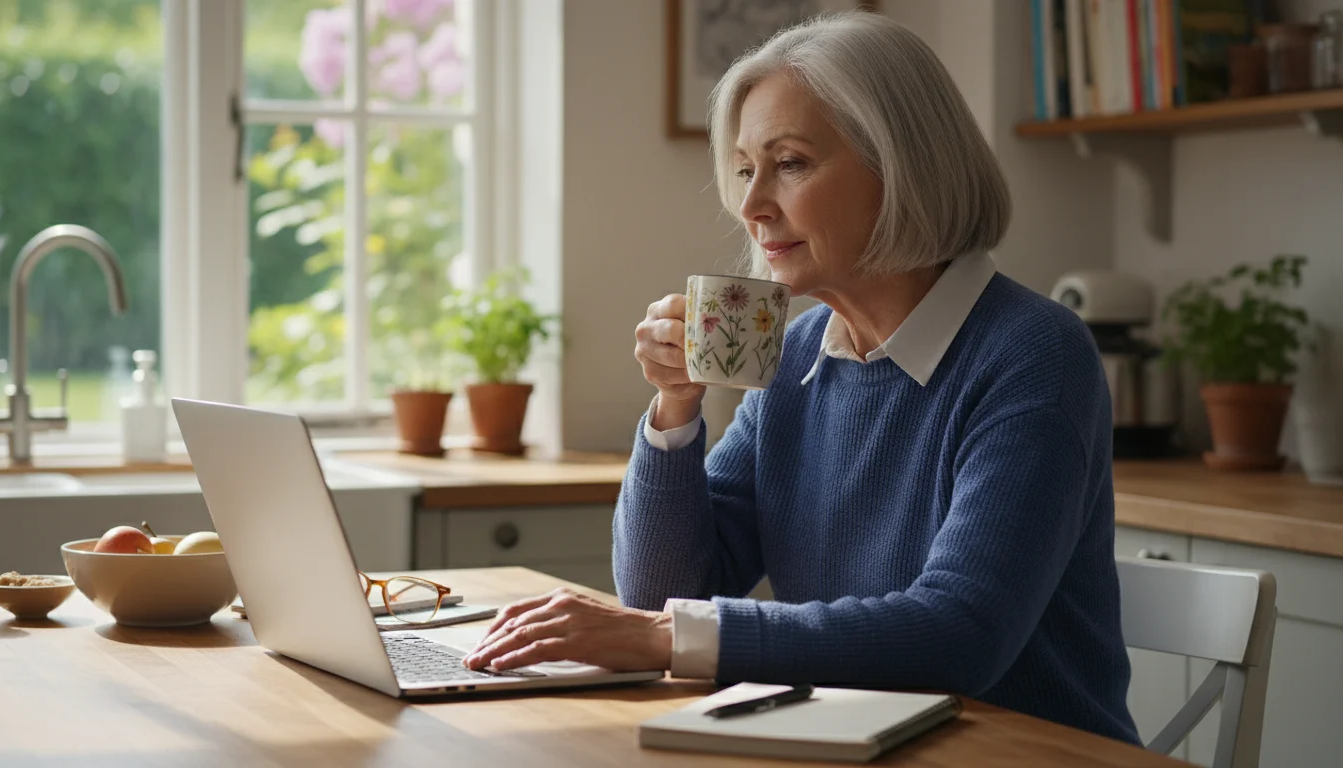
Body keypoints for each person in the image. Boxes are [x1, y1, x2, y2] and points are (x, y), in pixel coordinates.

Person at [464, 11, 1140, 745]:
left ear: (902, 163)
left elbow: (959, 634)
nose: (752, 206)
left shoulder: (1033, 354)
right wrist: (676, 409)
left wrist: (666, 640)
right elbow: (665, 596)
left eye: (790, 163)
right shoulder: (794, 356)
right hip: (849, 745)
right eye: (747, 169)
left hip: (1023, 755)